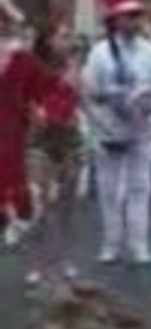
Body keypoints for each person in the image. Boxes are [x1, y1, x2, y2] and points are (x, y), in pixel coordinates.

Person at [82, 0, 151, 265]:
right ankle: (111, 244)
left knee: (140, 188)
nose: (135, 21)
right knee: (109, 190)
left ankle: (139, 245)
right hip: (108, 130)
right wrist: (109, 107)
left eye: (138, 16)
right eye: (129, 16)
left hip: (143, 131)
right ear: (116, 20)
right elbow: (88, 92)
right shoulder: (99, 53)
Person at [0, 0, 61, 242]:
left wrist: (42, 109)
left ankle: (19, 215)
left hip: (11, 128)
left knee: (10, 176)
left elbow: (47, 87)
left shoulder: (22, 59)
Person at [29, 20, 84, 283]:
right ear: (48, 40)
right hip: (41, 140)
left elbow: (80, 99)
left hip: (68, 138)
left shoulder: (74, 67)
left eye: (69, 35)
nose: (68, 40)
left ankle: (66, 259)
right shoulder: (33, 67)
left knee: (67, 205)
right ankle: (39, 262)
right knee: (40, 205)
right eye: (63, 35)